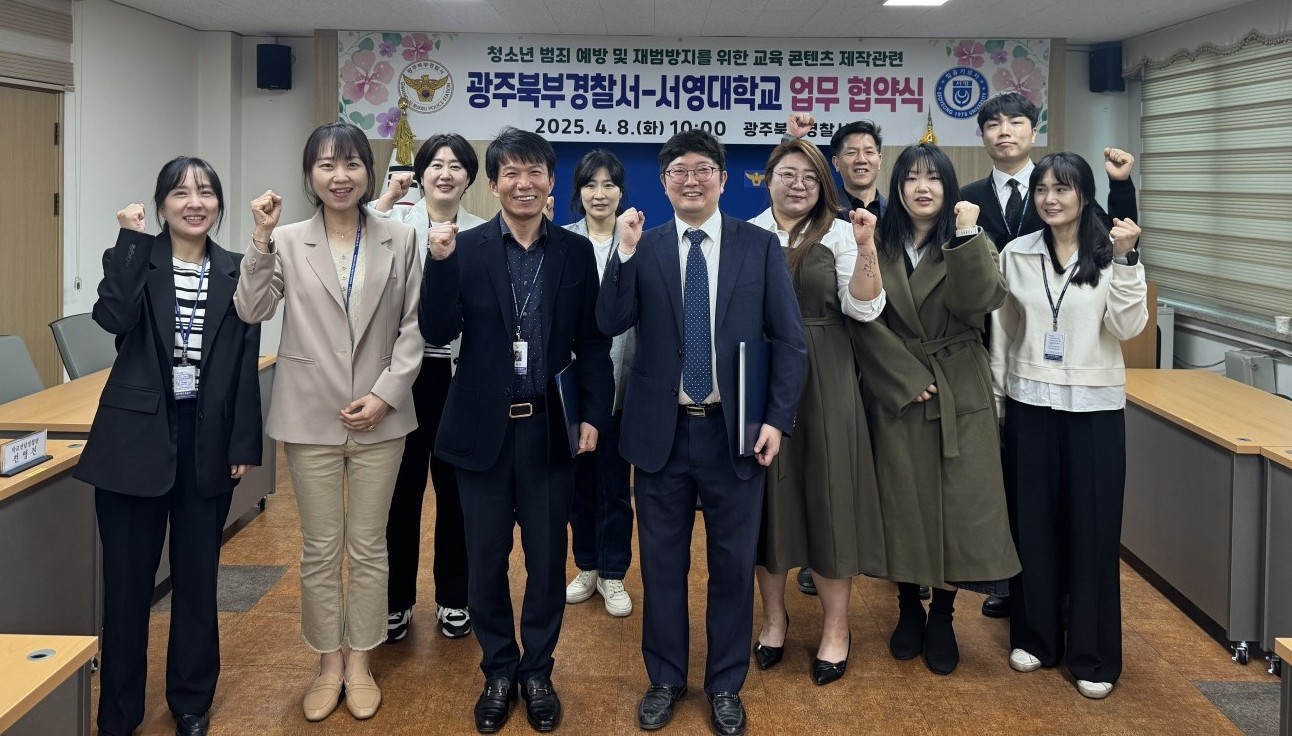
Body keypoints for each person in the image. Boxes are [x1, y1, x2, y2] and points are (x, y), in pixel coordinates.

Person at [597, 129, 806, 736]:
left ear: (722, 179)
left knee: (733, 567)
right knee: (661, 567)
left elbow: (790, 341)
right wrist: (622, 253)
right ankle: (665, 678)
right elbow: (610, 320)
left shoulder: (758, 246)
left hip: (734, 432)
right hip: (659, 435)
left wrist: (776, 419)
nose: (691, 180)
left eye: (703, 169)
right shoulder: (645, 245)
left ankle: (724, 684)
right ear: (663, 183)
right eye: (679, 171)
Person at [420, 126, 613, 734]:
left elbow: (592, 343)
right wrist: (439, 264)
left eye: (535, 173)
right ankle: (499, 669)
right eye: (511, 173)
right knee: (484, 561)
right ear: (493, 182)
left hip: (549, 430)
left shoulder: (574, 253)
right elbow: (437, 329)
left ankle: (538, 671)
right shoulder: (465, 247)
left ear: (551, 182)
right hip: (481, 431)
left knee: (547, 561)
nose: (523, 184)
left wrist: (592, 415)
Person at [234, 122, 423, 723]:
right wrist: (260, 239)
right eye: (326, 165)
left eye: (351, 164)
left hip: (380, 418)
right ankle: (327, 663)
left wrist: (386, 394)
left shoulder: (400, 237)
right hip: (309, 414)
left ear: (368, 171)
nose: (340, 177)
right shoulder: (287, 240)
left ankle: (361, 661)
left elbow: (414, 328)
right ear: (310, 175)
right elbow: (252, 308)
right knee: (320, 548)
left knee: (368, 546)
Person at [75, 157, 262, 736]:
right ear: (160, 206)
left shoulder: (236, 269)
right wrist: (130, 238)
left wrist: (243, 441)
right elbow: (113, 317)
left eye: (206, 192)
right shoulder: (134, 256)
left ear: (219, 205)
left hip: (207, 439)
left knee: (198, 579)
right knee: (126, 587)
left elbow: (244, 363)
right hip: (134, 440)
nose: (194, 203)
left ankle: (191, 701)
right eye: (180, 193)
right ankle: (119, 713)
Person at [961, 91, 1139, 619]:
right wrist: (996, 395)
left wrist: (1122, 189)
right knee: (1024, 506)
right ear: (982, 135)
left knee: (1087, 517)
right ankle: (1023, 607)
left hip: (1088, 385)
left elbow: (1123, 245)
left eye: (1016, 122)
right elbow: (996, 321)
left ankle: (1079, 624)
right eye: (993, 124)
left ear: (1033, 131)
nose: (1050, 199)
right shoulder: (970, 203)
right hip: (1014, 373)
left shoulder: (1095, 232)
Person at [849, 143, 1020, 676]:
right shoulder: (875, 238)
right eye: (911, 178)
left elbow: (979, 303)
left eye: (934, 178)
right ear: (897, 187)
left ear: (949, 187)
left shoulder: (971, 239)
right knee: (901, 503)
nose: (922, 188)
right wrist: (903, 376)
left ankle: (943, 614)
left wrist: (966, 238)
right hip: (897, 388)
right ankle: (908, 606)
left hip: (958, 389)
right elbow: (860, 315)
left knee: (957, 507)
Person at [991, 152, 1147, 699]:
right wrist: (998, 401)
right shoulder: (1016, 253)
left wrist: (1127, 263)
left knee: (1093, 529)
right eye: (1042, 189)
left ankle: (1093, 653)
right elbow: (1003, 332)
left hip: (1094, 408)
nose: (1050, 199)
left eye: (1063, 188)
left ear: (1084, 195)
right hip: (1029, 401)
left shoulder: (1110, 252)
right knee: (1032, 524)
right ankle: (1036, 637)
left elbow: (1126, 326)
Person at [747, 139, 887, 686]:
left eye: (810, 176)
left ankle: (835, 628)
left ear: (823, 184)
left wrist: (867, 247)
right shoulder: (749, 232)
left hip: (826, 375)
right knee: (768, 502)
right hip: (763, 374)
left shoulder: (841, 231)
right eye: (788, 173)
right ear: (768, 179)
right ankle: (774, 619)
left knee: (830, 499)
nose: (799, 184)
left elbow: (865, 308)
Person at [370, 133, 485, 642]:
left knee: (457, 493)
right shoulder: (394, 227)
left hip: (460, 378)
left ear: (469, 177)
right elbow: (352, 236)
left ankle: (454, 598)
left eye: (456, 165)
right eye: (436, 164)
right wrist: (386, 198)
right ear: (420, 174)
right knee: (400, 492)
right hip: (403, 377)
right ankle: (395, 602)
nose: (446, 173)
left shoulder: (482, 233)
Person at [561, 149, 638, 618]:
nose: (600, 193)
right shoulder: (563, 242)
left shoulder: (637, 243)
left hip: (622, 389)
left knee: (614, 487)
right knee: (578, 488)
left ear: (621, 192)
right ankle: (586, 565)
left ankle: (613, 573)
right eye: (591, 184)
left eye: (609, 184)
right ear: (579, 192)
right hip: (573, 390)